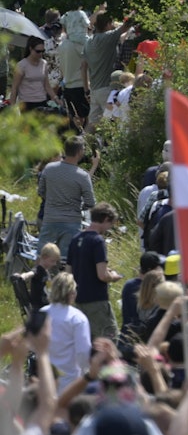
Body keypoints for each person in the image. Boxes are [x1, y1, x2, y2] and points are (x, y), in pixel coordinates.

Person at [67, 202, 124, 341]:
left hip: (78, 299)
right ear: (105, 219)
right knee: (109, 340)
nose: (109, 228)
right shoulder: (97, 241)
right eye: (110, 224)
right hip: (96, 300)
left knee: (87, 342)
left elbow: (68, 272)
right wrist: (114, 276)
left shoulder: (75, 239)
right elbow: (102, 275)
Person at [37, 135, 97, 255]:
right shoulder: (83, 176)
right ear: (79, 152)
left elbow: (41, 192)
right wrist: (80, 206)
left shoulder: (48, 168)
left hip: (50, 219)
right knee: (66, 261)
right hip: (71, 223)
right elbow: (90, 202)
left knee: (43, 258)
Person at [85, 10, 135, 130]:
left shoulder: (88, 42)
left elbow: (83, 66)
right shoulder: (108, 37)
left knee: (92, 125)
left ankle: (82, 146)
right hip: (107, 89)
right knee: (112, 125)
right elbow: (125, 27)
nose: (113, 26)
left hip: (94, 89)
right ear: (107, 24)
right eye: (112, 23)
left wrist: (86, 88)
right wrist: (133, 13)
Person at [42, 272, 91, 391]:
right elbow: (83, 352)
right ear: (72, 293)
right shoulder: (77, 318)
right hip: (70, 380)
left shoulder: (41, 313)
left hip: (44, 377)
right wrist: (87, 372)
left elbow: (32, 345)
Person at [10, 35, 53, 111]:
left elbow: (47, 86)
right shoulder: (21, 65)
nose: (40, 54)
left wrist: (56, 99)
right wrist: (12, 107)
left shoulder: (44, 63)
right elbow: (14, 88)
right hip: (26, 103)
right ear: (30, 49)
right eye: (38, 51)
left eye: (43, 51)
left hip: (42, 101)